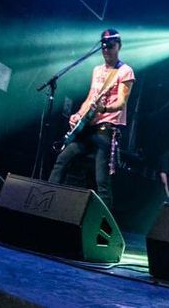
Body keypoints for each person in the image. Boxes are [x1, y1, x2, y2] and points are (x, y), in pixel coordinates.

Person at [49, 28, 135, 210]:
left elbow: (121, 102)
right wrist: (78, 115)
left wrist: (104, 108)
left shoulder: (125, 71)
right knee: (62, 159)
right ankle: (47, 202)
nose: (106, 49)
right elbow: (90, 98)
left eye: (110, 46)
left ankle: (103, 221)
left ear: (118, 46)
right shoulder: (97, 70)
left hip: (106, 129)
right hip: (88, 127)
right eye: (104, 46)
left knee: (102, 180)